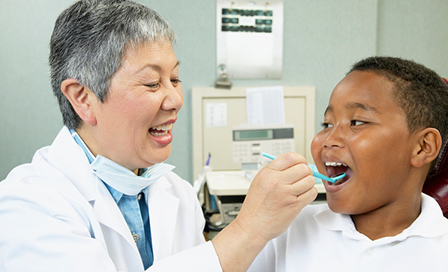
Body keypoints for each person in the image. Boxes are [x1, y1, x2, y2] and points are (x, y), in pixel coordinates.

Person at [0, 0, 318, 271]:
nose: (176, 100)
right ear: (83, 98)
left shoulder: (176, 194)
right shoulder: (27, 205)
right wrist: (248, 228)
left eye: (175, 78)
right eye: (152, 83)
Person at [248, 56, 448, 271]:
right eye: (327, 123)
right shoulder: (283, 231)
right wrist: (250, 226)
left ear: (423, 147)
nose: (328, 139)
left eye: (357, 122)